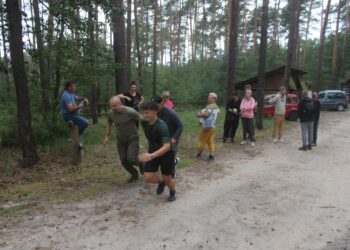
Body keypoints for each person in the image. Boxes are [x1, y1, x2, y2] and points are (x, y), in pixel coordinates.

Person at [138, 101, 177, 202]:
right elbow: (133, 114)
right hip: (153, 151)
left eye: (147, 113)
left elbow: (167, 146)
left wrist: (151, 156)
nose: (144, 115)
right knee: (148, 177)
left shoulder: (161, 126)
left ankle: (173, 191)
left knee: (167, 178)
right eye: (144, 113)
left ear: (155, 112)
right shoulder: (144, 122)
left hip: (166, 154)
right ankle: (161, 183)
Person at [103, 96, 143, 183]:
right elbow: (109, 124)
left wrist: (149, 132)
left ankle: (142, 163)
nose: (112, 108)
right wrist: (107, 136)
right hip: (121, 140)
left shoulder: (130, 111)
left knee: (131, 159)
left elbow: (141, 119)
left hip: (133, 138)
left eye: (114, 106)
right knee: (124, 160)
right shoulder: (110, 114)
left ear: (120, 104)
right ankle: (134, 174)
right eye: (111, 106)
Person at [152, 96, 184, 178]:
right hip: (163, 137)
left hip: (172, 136)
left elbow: (180, 126)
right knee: (163, 155)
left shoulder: (170, 112)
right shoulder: (155, 112)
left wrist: (174, 138)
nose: (154, 107)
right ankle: (174, 162)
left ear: (162, 103)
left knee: (171, 154)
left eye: (156, 105)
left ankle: (172, 172)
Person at [196, 93, 221, 161]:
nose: (208, 99)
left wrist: (199, 115)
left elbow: (206, 115)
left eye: (210, 98)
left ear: (214, 99)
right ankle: (211, 156)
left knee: (202, 140)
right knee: (210, 141)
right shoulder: (216, 106)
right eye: (208, 98)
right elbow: (219, 114)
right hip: (213, 126)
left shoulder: (210, 106)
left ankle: (199, 154)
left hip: (206, 127)